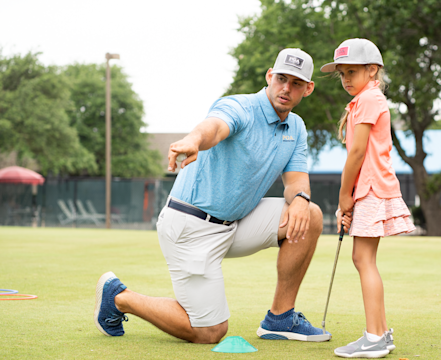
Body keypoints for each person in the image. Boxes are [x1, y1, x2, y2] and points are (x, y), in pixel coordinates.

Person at [94, 48, 334, 344]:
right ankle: (119, 297)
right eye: (281, 78)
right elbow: (215, 127)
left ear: (308, 89)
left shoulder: (296, 127)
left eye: (296, 83)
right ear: (270, 76)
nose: (286, 88)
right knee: (209, 332)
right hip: (190, 227)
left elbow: (296, 181)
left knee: (308, 213)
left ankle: (280, 319)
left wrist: (300, 198)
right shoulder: (241, 106)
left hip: (234, 224)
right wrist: (194, 140)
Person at [320, 38, 416, 358]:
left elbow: (358, 152)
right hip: (368, 188)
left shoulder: (369, 98)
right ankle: (382, 333)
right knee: (364, 259)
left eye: (352, 71)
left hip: (371, 187)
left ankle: (374, 337)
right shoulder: (365, 99)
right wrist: (349, 197)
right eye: (342, 74)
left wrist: (344, 195)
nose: (346, 78)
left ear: (372, 70)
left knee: (363, 260)